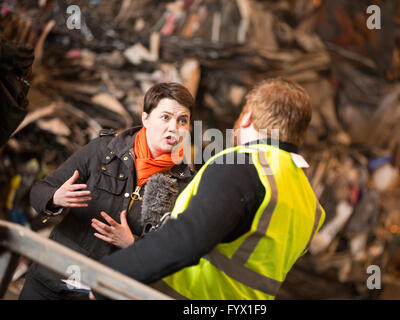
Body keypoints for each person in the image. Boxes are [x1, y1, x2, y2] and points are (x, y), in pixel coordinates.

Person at [91, 78, 326, 300]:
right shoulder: (309, 202)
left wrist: (109, 276)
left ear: (246, 118)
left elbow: (185, 240)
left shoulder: (243, 165)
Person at [19, 82, 195, 300]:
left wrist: (132, 244)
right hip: (51, 280)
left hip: (103, 292)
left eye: (182, 121)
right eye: (166, 117)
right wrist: (55, 197)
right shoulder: (104, 150)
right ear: (145, 119)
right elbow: (39, 191)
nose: (174, 128)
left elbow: (172, 251)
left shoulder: (183, 185)